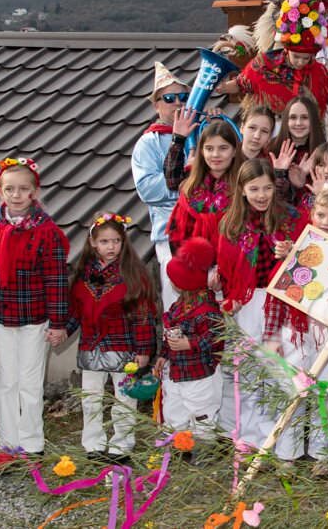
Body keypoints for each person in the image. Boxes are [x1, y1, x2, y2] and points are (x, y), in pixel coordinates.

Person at [0, 157, 70, 457]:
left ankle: (32, 444)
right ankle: (8, 444)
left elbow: (56, 280)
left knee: (30, 382)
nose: (16, 195)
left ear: (34, 192)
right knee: (6, 381)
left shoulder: (47, 232)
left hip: (35, 319)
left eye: (23, 189)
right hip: (1, 317)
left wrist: (58, 322)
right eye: (9, 189)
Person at [214, 159, 303, 446]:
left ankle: (280, 439)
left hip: (283, 300)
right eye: (254, 189)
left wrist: (291, 253)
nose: (261, 195)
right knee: (250, 369)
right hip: (249, 302)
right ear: (242, 189)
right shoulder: (232, 224)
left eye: (267, 188)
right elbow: (227, 268)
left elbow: (309, 257)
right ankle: (250, 438)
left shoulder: (290, 218)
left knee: (280, 368)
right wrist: (231, 296)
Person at [263, 187, 328, 474]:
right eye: (321, 215)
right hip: (296, 330)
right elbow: (278, 292)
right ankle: (288, 452)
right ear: (312, 215)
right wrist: (271, 335)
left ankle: (323, 454)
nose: (326, 222)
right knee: (293, 387)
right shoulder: (297, 247)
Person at [68, 213, 155, 464]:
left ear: (123, 242)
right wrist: (60, 330)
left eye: (116, 241)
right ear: (93, 243)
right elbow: (75, 311)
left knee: (125, 398)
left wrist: (143, 350)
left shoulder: (133, 275)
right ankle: (93, 443)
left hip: (123, 347)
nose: (111, 247)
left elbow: (143, 315)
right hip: (91, 346)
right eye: (104, 241)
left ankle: (122, 444)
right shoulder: (83, 276)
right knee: (91, 398)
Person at [130, 62, 192, 309]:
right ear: (156, 105)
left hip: (206, 232)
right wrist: (187, 178)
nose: (177, 103)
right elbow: (148, 190)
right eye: (169, 98)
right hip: (170, 234)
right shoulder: (148, 143)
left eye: (183, 97)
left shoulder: (201, 131)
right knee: (176, 305)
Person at [156, 237, 224, 450]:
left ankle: (204, 451)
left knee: (201, 412)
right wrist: (163, 355)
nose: (171, 283)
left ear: (183, 284)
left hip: (199, 374)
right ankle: (179, 447)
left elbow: (216, 335)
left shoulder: (206, 309)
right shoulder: (178, 306)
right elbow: (169, 333)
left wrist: (190, 343)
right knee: (174, 410)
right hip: (177, 371)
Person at [231, 0, 328, 116]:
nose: (300, 62)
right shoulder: (264, 64)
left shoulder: (319, 71)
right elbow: (241, 83)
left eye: (306, 58)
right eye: (296, 56)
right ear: (286, 50)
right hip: (271, 122)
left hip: (305, 124)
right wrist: (221, 87)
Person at [166, 118, 244, 253]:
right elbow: (177, 234)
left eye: (223, 148)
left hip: (233, 260)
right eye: (209, 148)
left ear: (234, 151)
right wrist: (178, 140)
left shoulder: (245, 186)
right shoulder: (190, 186)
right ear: (201, 151)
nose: (215, 155)